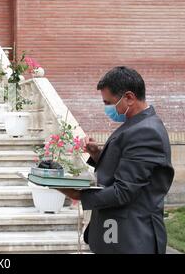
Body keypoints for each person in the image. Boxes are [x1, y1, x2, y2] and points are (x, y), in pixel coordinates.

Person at [58, 66, 174, 254]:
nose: (107, 109)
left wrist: (78, 194)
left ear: (129, 97)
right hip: (115, 234)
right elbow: (129, 165)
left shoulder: (146, 131)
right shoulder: (137, 124)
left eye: (108, 102)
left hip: (131, 239)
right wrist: (97, 154)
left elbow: (123, 191)